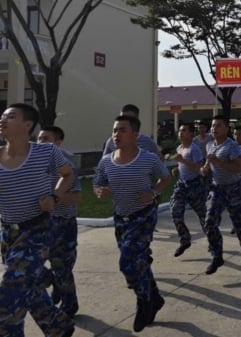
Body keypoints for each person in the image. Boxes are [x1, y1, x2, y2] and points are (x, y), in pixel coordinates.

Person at [0, 103, 75, 337]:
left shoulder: (46, 152)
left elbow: (68, 175)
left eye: (10, 116)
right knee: (29, 287)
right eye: (2, 116)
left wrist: (55, 196)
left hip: (37, 230)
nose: (3, 120)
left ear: (27, 125)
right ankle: (58, 326)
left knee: (8, 300)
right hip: (9, 233)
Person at [93, 115, 170, 332]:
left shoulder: (148, 159)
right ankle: (154, 296)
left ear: (135, 135)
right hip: (121, 218)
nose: (116, 135)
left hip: (143, 216)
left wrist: (153, 192)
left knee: (127, 263)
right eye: (114, 130)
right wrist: (100, 191)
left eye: (122, 130)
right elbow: (97, 183)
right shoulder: (106, 161)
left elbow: (165, 178)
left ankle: (144, 302)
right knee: (139, 262)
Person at [36, 126, 81, 319]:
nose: (40, 142)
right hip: (39, 224)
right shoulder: (32, 163)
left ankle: (70, 304)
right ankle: (52, 279)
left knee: (62, 267)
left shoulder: (65, 165)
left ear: (57, 142)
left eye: (46, 139)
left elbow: (77, 197)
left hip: (63, 223)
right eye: (38, 139)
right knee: (31, 266)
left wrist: (54, 198)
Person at [199, 115, 241, 275]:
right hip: (217, 189)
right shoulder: (209, 145)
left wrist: (219, 162)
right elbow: (207, 165)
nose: (214, 128)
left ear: (227, 129)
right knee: (209, 222)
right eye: (213, 126)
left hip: (234, 188)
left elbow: (238, 168)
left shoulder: (231, 146)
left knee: (239, 224)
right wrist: (204, 169)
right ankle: (217, 256)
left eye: (219, 126)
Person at [170, 123, 207, 258]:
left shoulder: (194, 149)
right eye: (180, 130)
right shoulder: (179, 148)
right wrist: (177, 169)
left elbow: (199, 166)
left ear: (191, 134)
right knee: (175, 211)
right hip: (182, 185)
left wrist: (183, 162)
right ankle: (185, 239)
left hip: (195, 185)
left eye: (184, 130)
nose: (181, 133)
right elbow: (182, 165)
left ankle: (213, 241)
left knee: (204, 216)